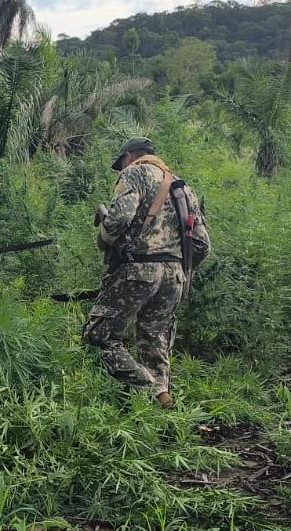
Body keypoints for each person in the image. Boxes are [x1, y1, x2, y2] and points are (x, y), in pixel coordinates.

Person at [83, 137, 211, 408]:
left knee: (99, 336)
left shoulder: (135, 173)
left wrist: (104, 238)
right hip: (175, 275)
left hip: (139, 269)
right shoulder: (183, 187)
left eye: (121, 164)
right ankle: (161, 409)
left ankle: (150, 389)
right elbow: (202, 245)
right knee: (154, 339)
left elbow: (119, 218)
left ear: (129, 157)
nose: (121, 169)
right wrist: (180, 269)